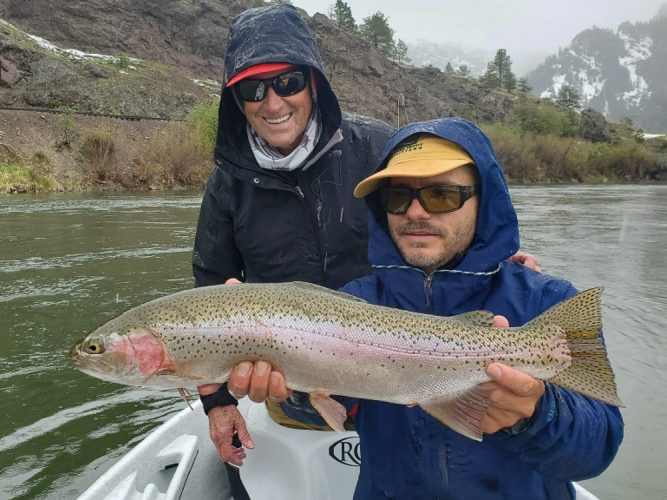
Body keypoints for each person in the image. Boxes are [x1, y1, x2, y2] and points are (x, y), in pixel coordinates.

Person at [192, 2, 540, 486]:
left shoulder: (379, 147)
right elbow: (210, 294)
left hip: (404, 387)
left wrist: (493, 264)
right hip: (291, 398)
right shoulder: (226, 185)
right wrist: (218, 403)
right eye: (253, 89)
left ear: (313, 81)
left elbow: (442, 221)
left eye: (288, 82)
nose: (273, 104)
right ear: (236, 100)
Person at [225, 117, 624, 499]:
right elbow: (333, 415)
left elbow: (599, 448)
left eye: (441, 195)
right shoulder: (353, 304)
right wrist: (291, 389)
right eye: (398, 197)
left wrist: (535, 415)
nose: (416, 212)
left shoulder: (548, 302)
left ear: (484, 201)